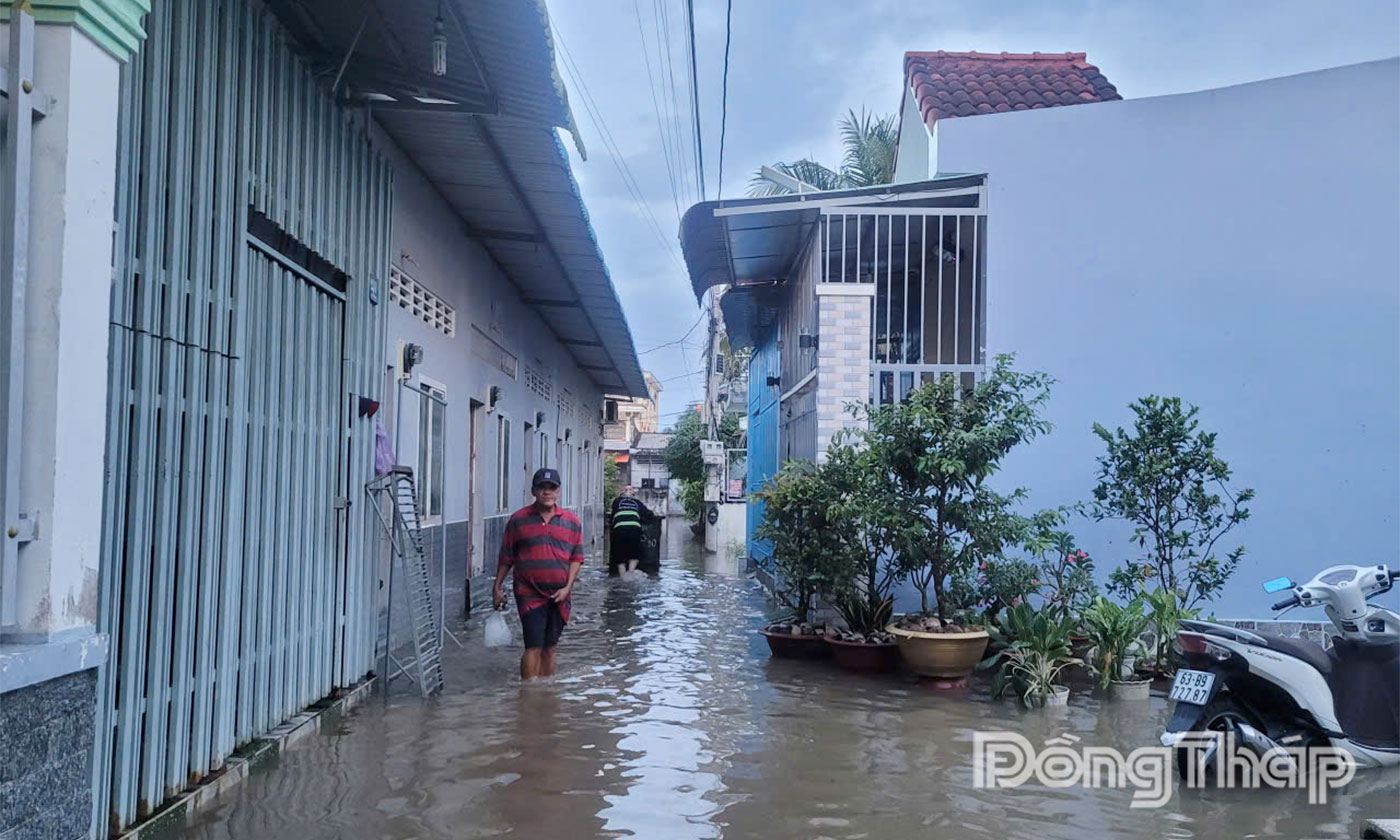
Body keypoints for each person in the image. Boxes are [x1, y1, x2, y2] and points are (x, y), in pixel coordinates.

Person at [491, 468, 585, 680]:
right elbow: (506, 557)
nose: (547, 492)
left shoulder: (572, 521)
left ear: (558, 492)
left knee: (550, 646)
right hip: (528, 592)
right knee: (533, 644)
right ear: (534, 491)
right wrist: (497, 587)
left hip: (560, 594)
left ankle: (546, 692)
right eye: (542, 487)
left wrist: (567, 587)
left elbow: (576, 558)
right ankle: (528, 694)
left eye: (552, 488)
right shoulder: (518, 520)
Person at [608, 486, 658, 576]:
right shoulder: (637, 502)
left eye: (629, 489)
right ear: (634, 495)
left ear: (621, 494)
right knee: (634, 555)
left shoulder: (616, 501)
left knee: (619, 558)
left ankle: (623, 578)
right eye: (626, 489)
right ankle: (630, 573)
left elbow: (612, 517)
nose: (628, 490)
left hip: (619, 530)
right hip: (634, 530)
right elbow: (649, 514)